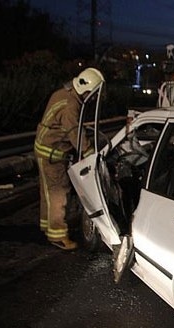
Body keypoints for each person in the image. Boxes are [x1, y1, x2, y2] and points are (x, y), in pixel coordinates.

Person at [34, 67, 104, 250]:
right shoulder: (71, 105)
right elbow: (76, 133)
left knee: (47, 192)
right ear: (86, 90)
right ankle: (58, 235)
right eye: (94, 93)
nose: (95, 98)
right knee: (58, 193)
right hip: (53, 154)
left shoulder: (65, 94)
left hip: (45, 149)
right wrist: (90, 152)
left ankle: (47, 226)